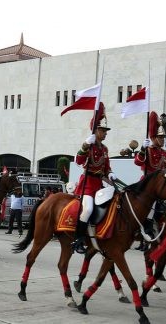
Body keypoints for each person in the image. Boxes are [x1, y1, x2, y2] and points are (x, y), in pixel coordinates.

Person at [72, 104, 116, 254]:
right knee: (88, 209)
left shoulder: (104, 149)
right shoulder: (89, 147)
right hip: (88, 184)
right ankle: (78, 239)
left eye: (105, 131)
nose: (105, 134)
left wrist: (110, 174)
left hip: (100, 184)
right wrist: (85, 145)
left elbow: (106, 166)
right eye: (103, 131)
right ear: (95, 131)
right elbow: (78, 161)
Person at [134, 112, 166, 238]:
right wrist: (143, 149)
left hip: (162, 185)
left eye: (163, 137)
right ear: (154, 137)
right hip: (148, 184)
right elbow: (138, 162)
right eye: (160, 137)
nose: (162, 139)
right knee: (152, 203)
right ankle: (146, 224)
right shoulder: (148, 150)